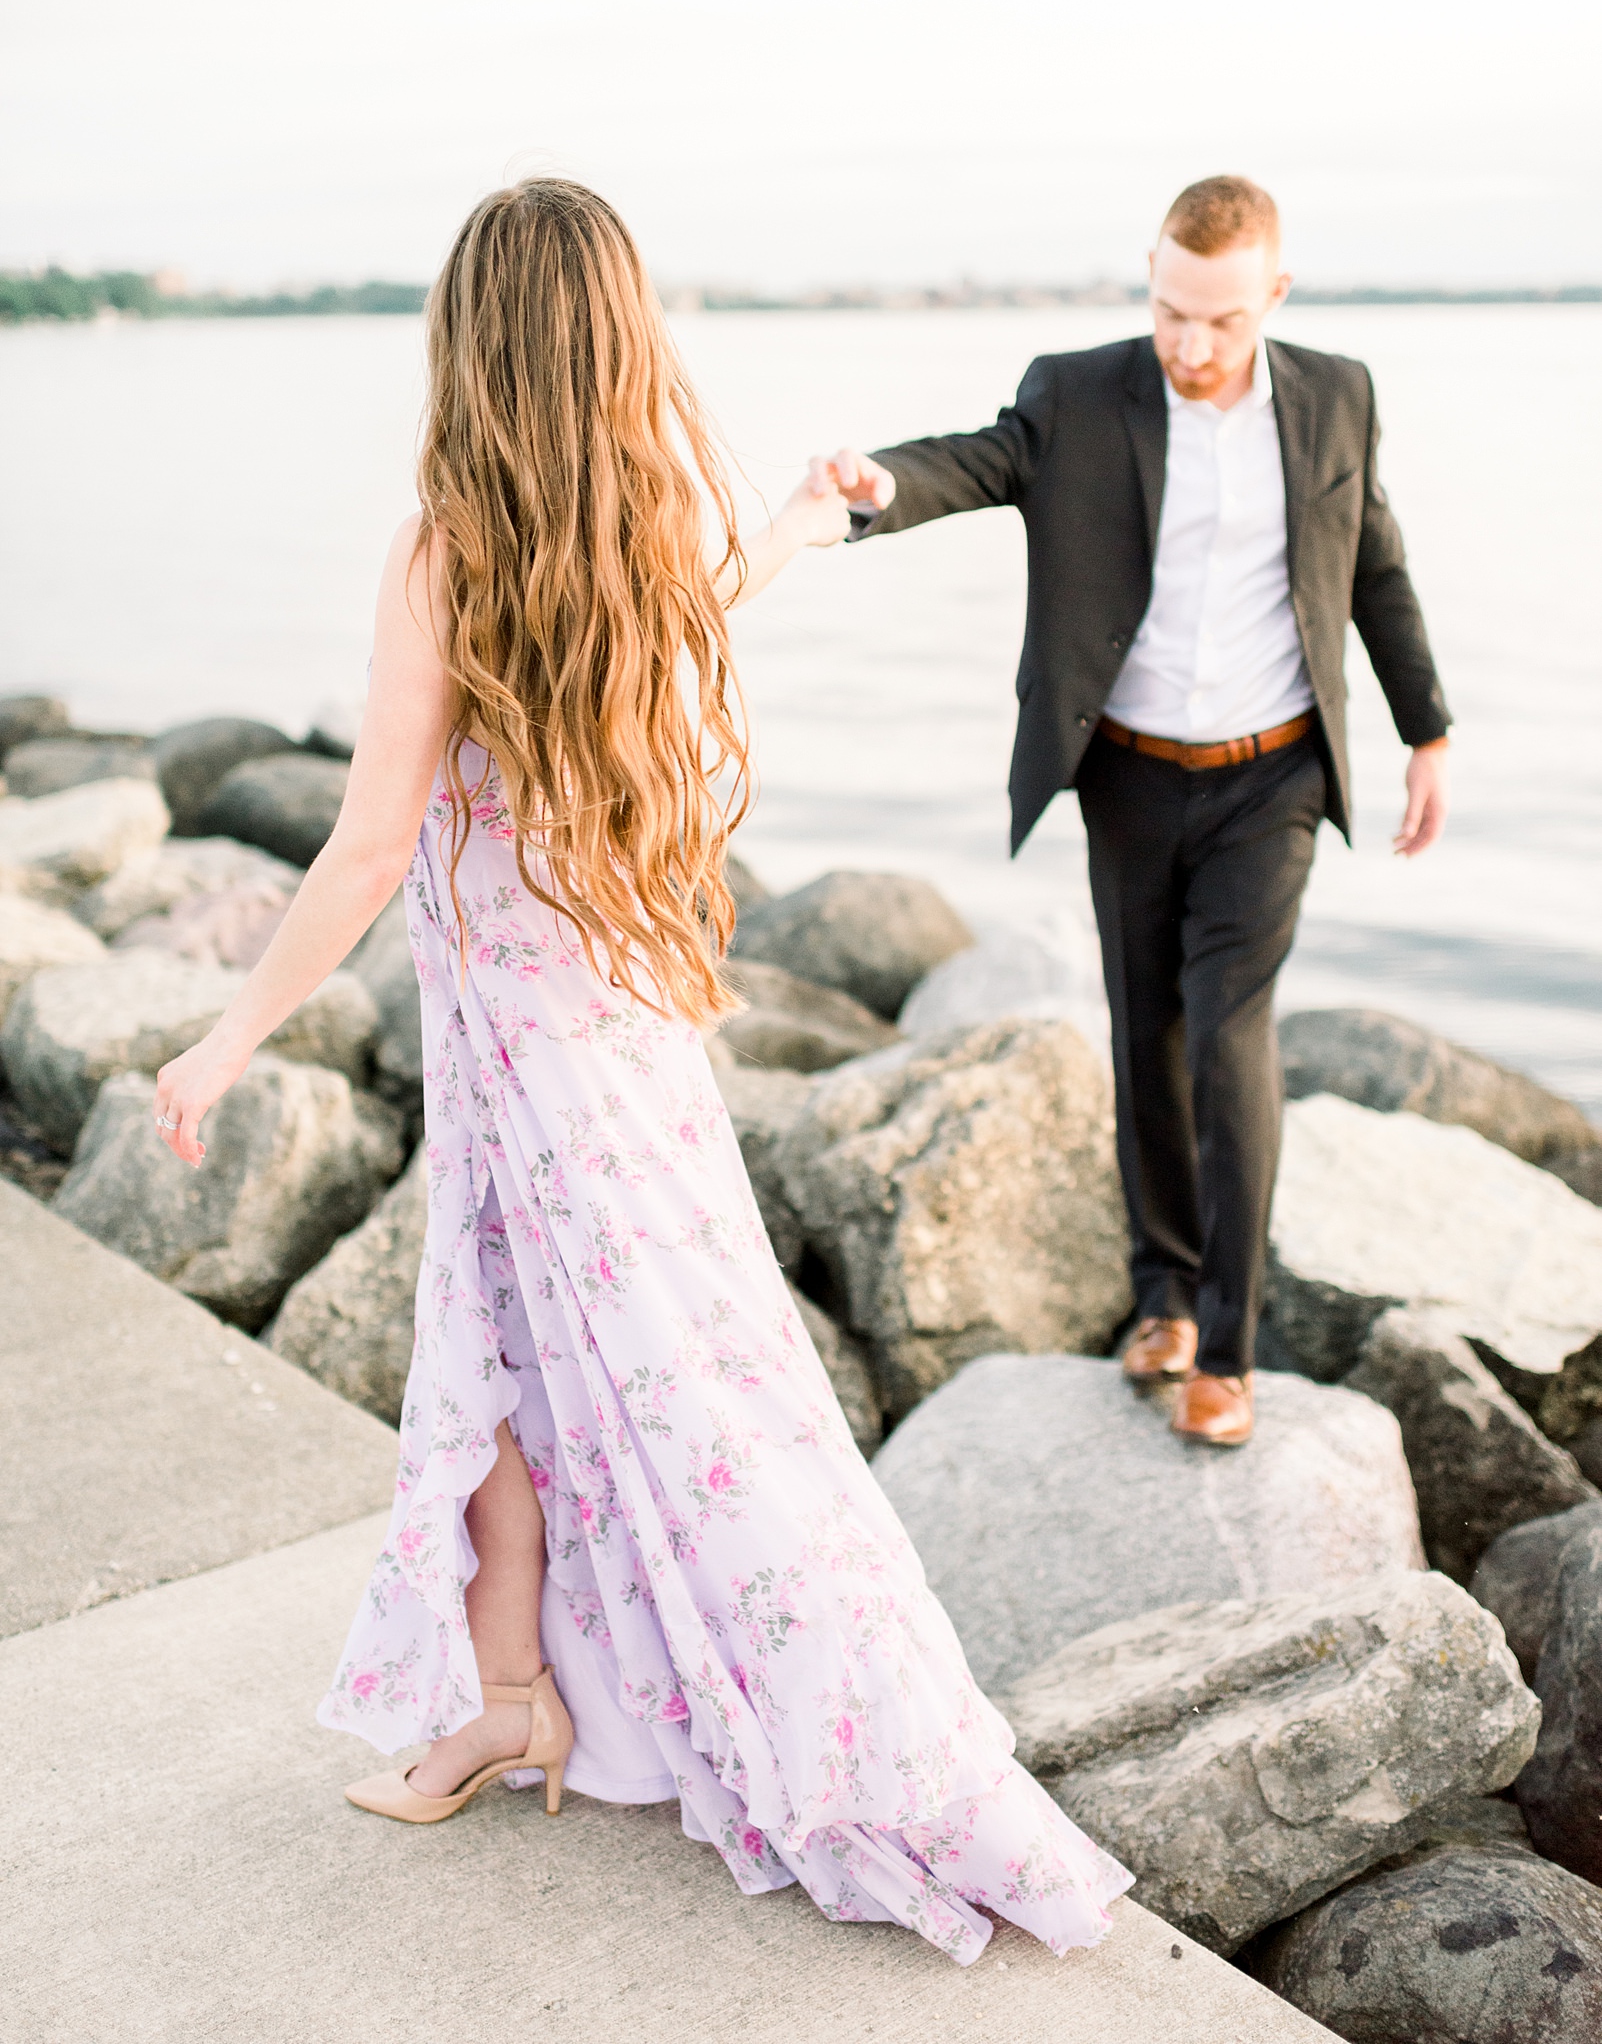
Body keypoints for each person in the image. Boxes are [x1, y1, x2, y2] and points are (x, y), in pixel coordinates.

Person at [151, 178, 1132, 1966]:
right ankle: (514, 1697)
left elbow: (370, 843)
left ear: (471, 339)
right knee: (542, 1360)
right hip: (619, 1048)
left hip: (540, 1063)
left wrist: (224, 1037)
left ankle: (841, 1737)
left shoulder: (447, 544)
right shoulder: (644, 509)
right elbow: (719, 584)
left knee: (628, 1387)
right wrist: (808, 520)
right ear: (615, 335)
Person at [819, 175, 1450, 1449]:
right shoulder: (1079, 388)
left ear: (1272, 295)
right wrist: (875, 484)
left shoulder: (1338, 396)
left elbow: (1372, 556)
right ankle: (1159, 1294)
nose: (1191, 344)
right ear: (1151, 279)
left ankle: (1228, 1345)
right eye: (1171, 310)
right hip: (1129, 772)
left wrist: (1424, 727)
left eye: (1220, 320)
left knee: (1228, 1039)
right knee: (1144, 1031)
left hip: (1272, 776)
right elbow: (981, 462)